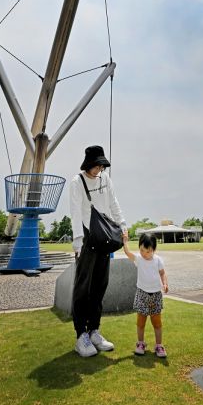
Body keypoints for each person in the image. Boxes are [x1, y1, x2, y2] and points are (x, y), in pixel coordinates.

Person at [70, 145, 127, 357]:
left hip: (104, 238)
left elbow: (113, 202)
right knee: (82, 288)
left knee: (100, 286)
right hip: (86, 239)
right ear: (88, 163)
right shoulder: (77, 182)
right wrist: (77, 240)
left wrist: (122, 224)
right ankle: (80, 336)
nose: (98, 169)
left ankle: (94, 331)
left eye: (101, 165)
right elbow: (75, 212)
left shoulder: (105, 179)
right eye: (95, 165)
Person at [123, 232, 168, 357]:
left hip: (156, 295)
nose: (144, 254)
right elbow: (127, 253)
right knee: (141, 321)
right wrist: (125, 241)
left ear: (153, 249)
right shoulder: (139, 259)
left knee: (157, 322)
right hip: (142, 294)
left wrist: (164, 283)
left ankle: (159, 346)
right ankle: (140, 344)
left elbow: (162, 273)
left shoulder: (158, 260)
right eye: (142, 250)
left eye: (148, 251)